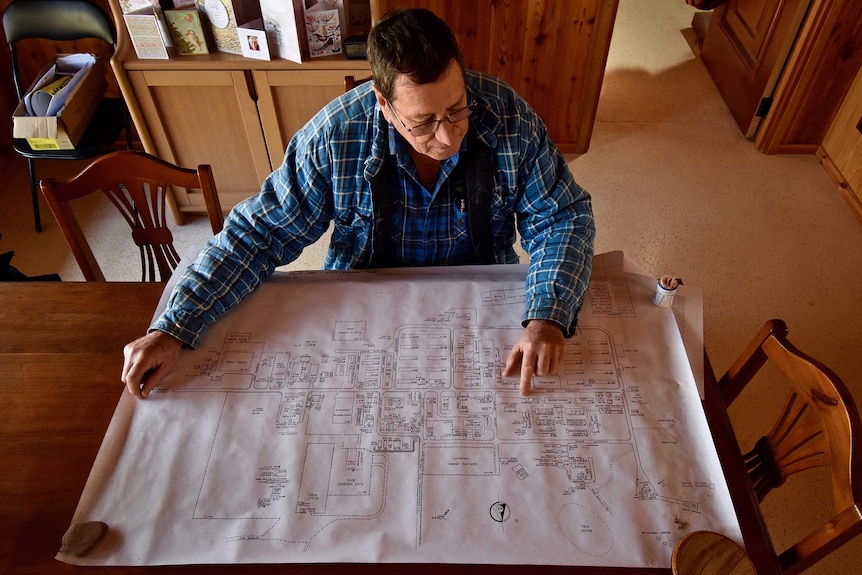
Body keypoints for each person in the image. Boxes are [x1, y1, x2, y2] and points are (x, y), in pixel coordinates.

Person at [121, 8, 595, 399]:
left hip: (481, 297)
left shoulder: (508, 116)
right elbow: (259, 233)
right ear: (384, 105)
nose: (448, 136)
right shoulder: (333, 136)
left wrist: (547, 315)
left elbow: (562, 217)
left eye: (456, 109)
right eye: (424, 121)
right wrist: (175, 327)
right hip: (363, 307)